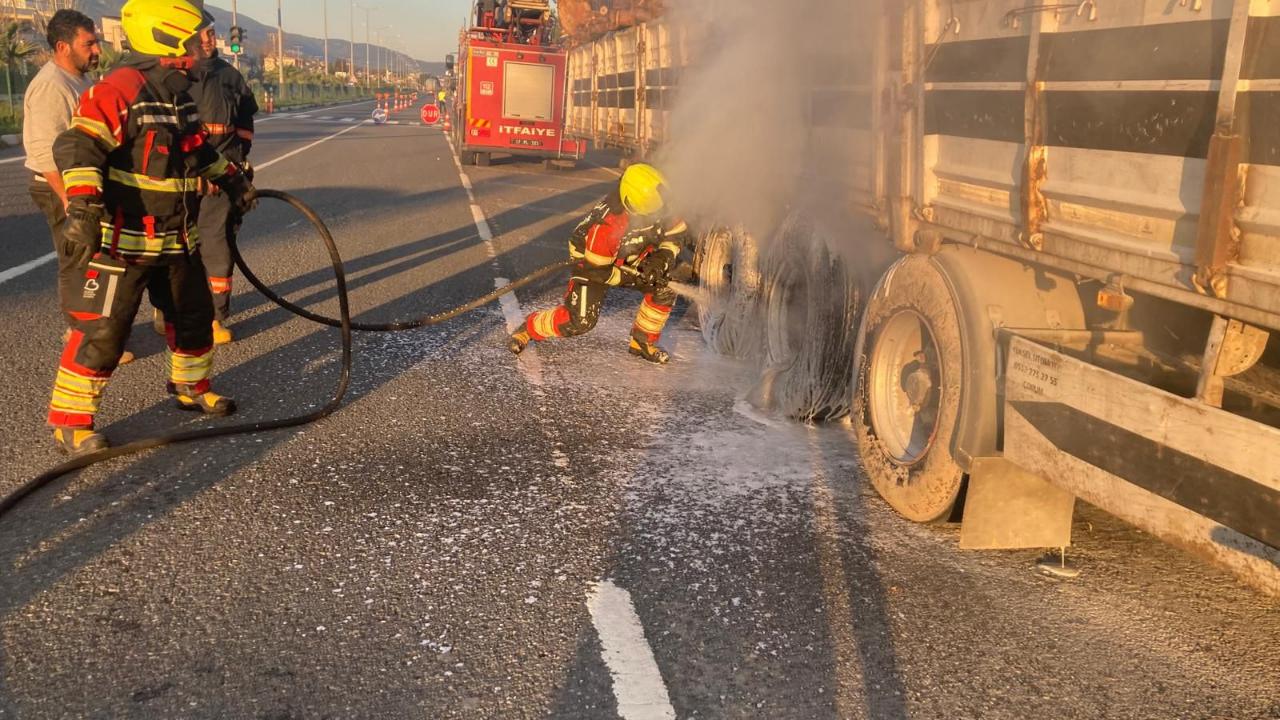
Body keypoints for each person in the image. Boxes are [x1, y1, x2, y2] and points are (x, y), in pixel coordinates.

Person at [46, 0, 256, 455]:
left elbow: (198, 151)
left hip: (178, 239)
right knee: (103, 331)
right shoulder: (120, 89)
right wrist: (82, 208)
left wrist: (233, 181)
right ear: (167, 38)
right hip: (123, 243)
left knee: (194, 317)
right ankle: (71, 422)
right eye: (197, 35)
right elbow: (77, 147)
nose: (207, 43)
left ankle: (191, 387)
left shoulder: (177, 96)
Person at [20, 11, 139, 363]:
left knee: (93, 256)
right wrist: (74, 203)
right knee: (76, 256)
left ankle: (95, 330)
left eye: (96, 42)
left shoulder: (78, 81)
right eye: (88, 44)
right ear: (62, 46)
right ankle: (82, 337)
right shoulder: (51, 86)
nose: (97, 51)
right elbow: (45, 153)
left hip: (84, 185)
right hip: (61, 186)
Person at [507, 162, 688, 364]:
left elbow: (676, 234)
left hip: (633, 257)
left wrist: (661, 259)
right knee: (580, 321)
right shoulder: (606, 225)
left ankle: (642, 341)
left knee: (668, 283)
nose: (659, 217)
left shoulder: (661, 202)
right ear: (633, 205)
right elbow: (599, 272)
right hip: (592, 264)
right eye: (652, 214)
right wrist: (635, 274)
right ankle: (530, 328)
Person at [181, 20, 258, 344]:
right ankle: (169, 308)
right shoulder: (176, 75)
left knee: (216, 243)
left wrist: (236, 165)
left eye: (212, 32)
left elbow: (245, 125)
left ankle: (215, 318)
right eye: (203, 34)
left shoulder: (230, 76)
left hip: (222, 173)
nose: (209, 39)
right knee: (178, 245)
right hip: (184, 175)